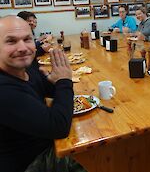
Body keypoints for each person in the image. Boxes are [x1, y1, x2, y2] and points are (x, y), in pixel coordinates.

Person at [0, 16, 86, 172]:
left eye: (27, 39)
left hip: (45, 145)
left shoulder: (27, 69)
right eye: (11, 41)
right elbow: (59, 126)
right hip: (31, 162)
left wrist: (59, 83)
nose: (22, 48)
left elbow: (54, 91)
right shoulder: (4, 89)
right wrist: (64, 81)